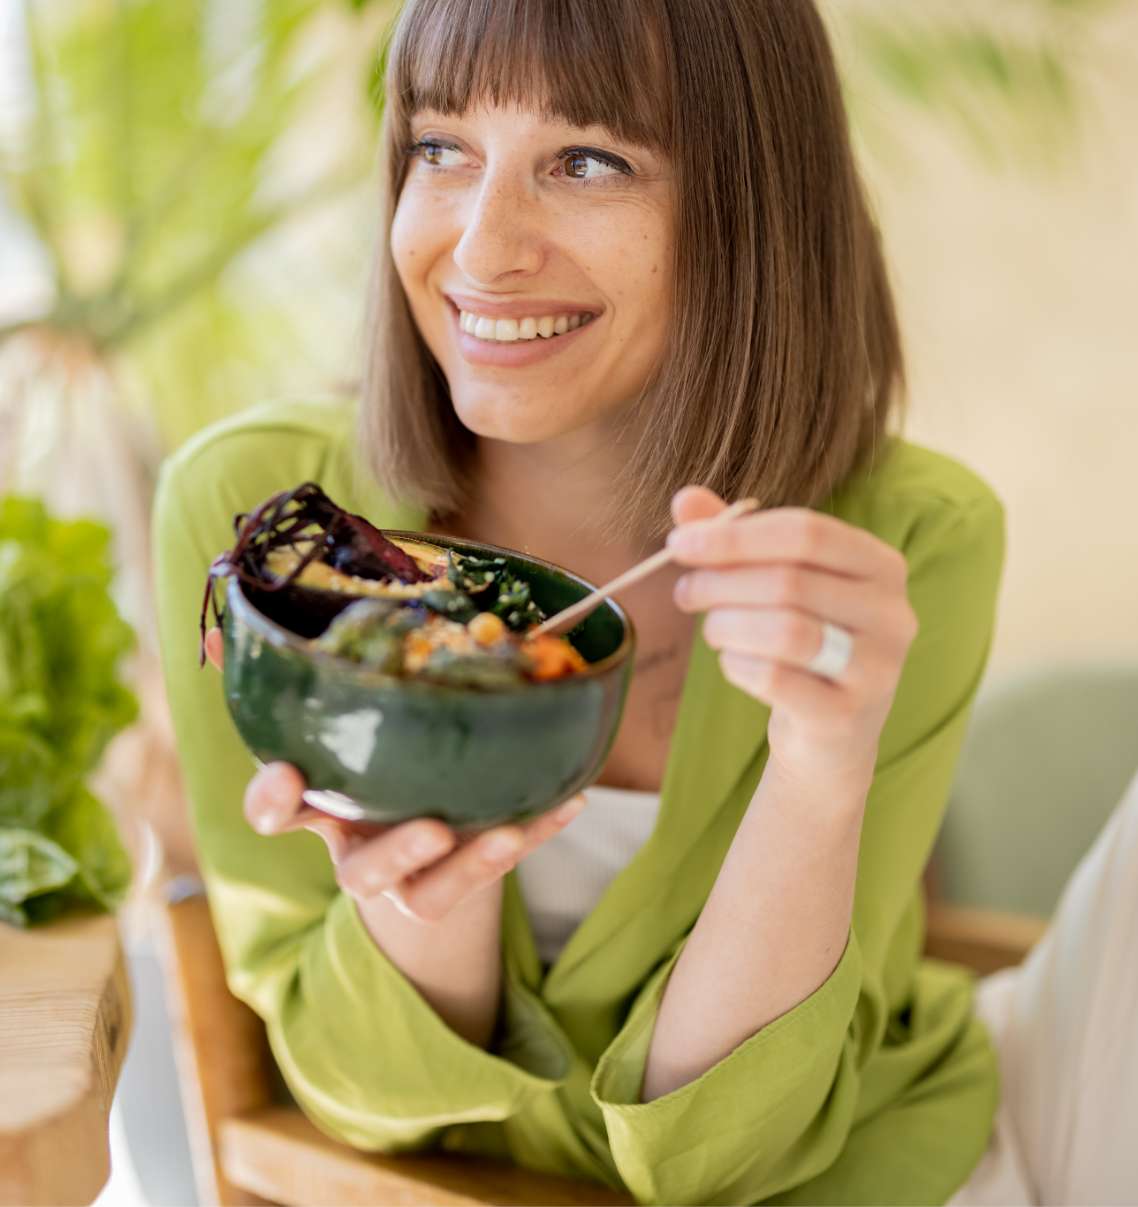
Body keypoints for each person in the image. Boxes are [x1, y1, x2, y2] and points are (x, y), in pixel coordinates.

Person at [153, 1, 1137, 1203]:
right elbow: (362, 1100)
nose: (478, 249)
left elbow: (739, 1152)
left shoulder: (904, 540)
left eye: (586, 161)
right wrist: (425, 890)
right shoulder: (261, 524)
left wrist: (819, 770)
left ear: (750, 212)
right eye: (439, 147)